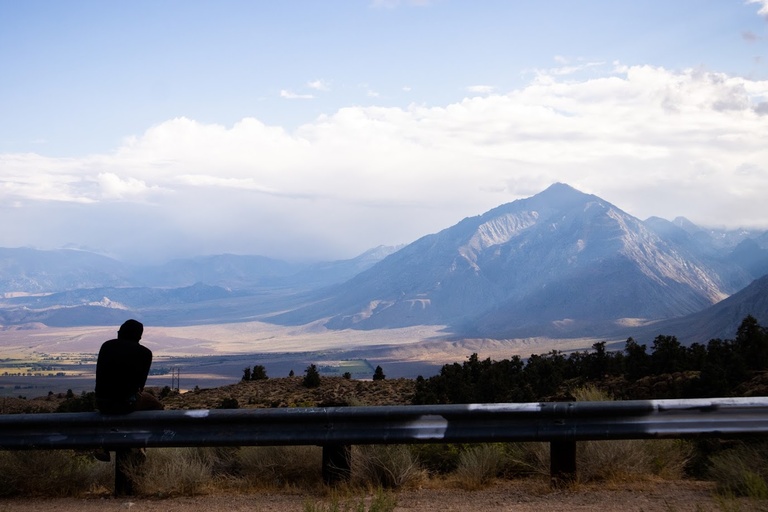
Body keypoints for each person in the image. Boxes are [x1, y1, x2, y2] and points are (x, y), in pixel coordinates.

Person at [94, 319, 163, 462]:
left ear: (121, 333)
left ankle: (103, 444)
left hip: (102, 402)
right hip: (126, 403)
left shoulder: (107, 346)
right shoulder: (145, 353)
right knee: (156, 405)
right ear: (139, 337)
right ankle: (138, 443)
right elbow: (140, 386)